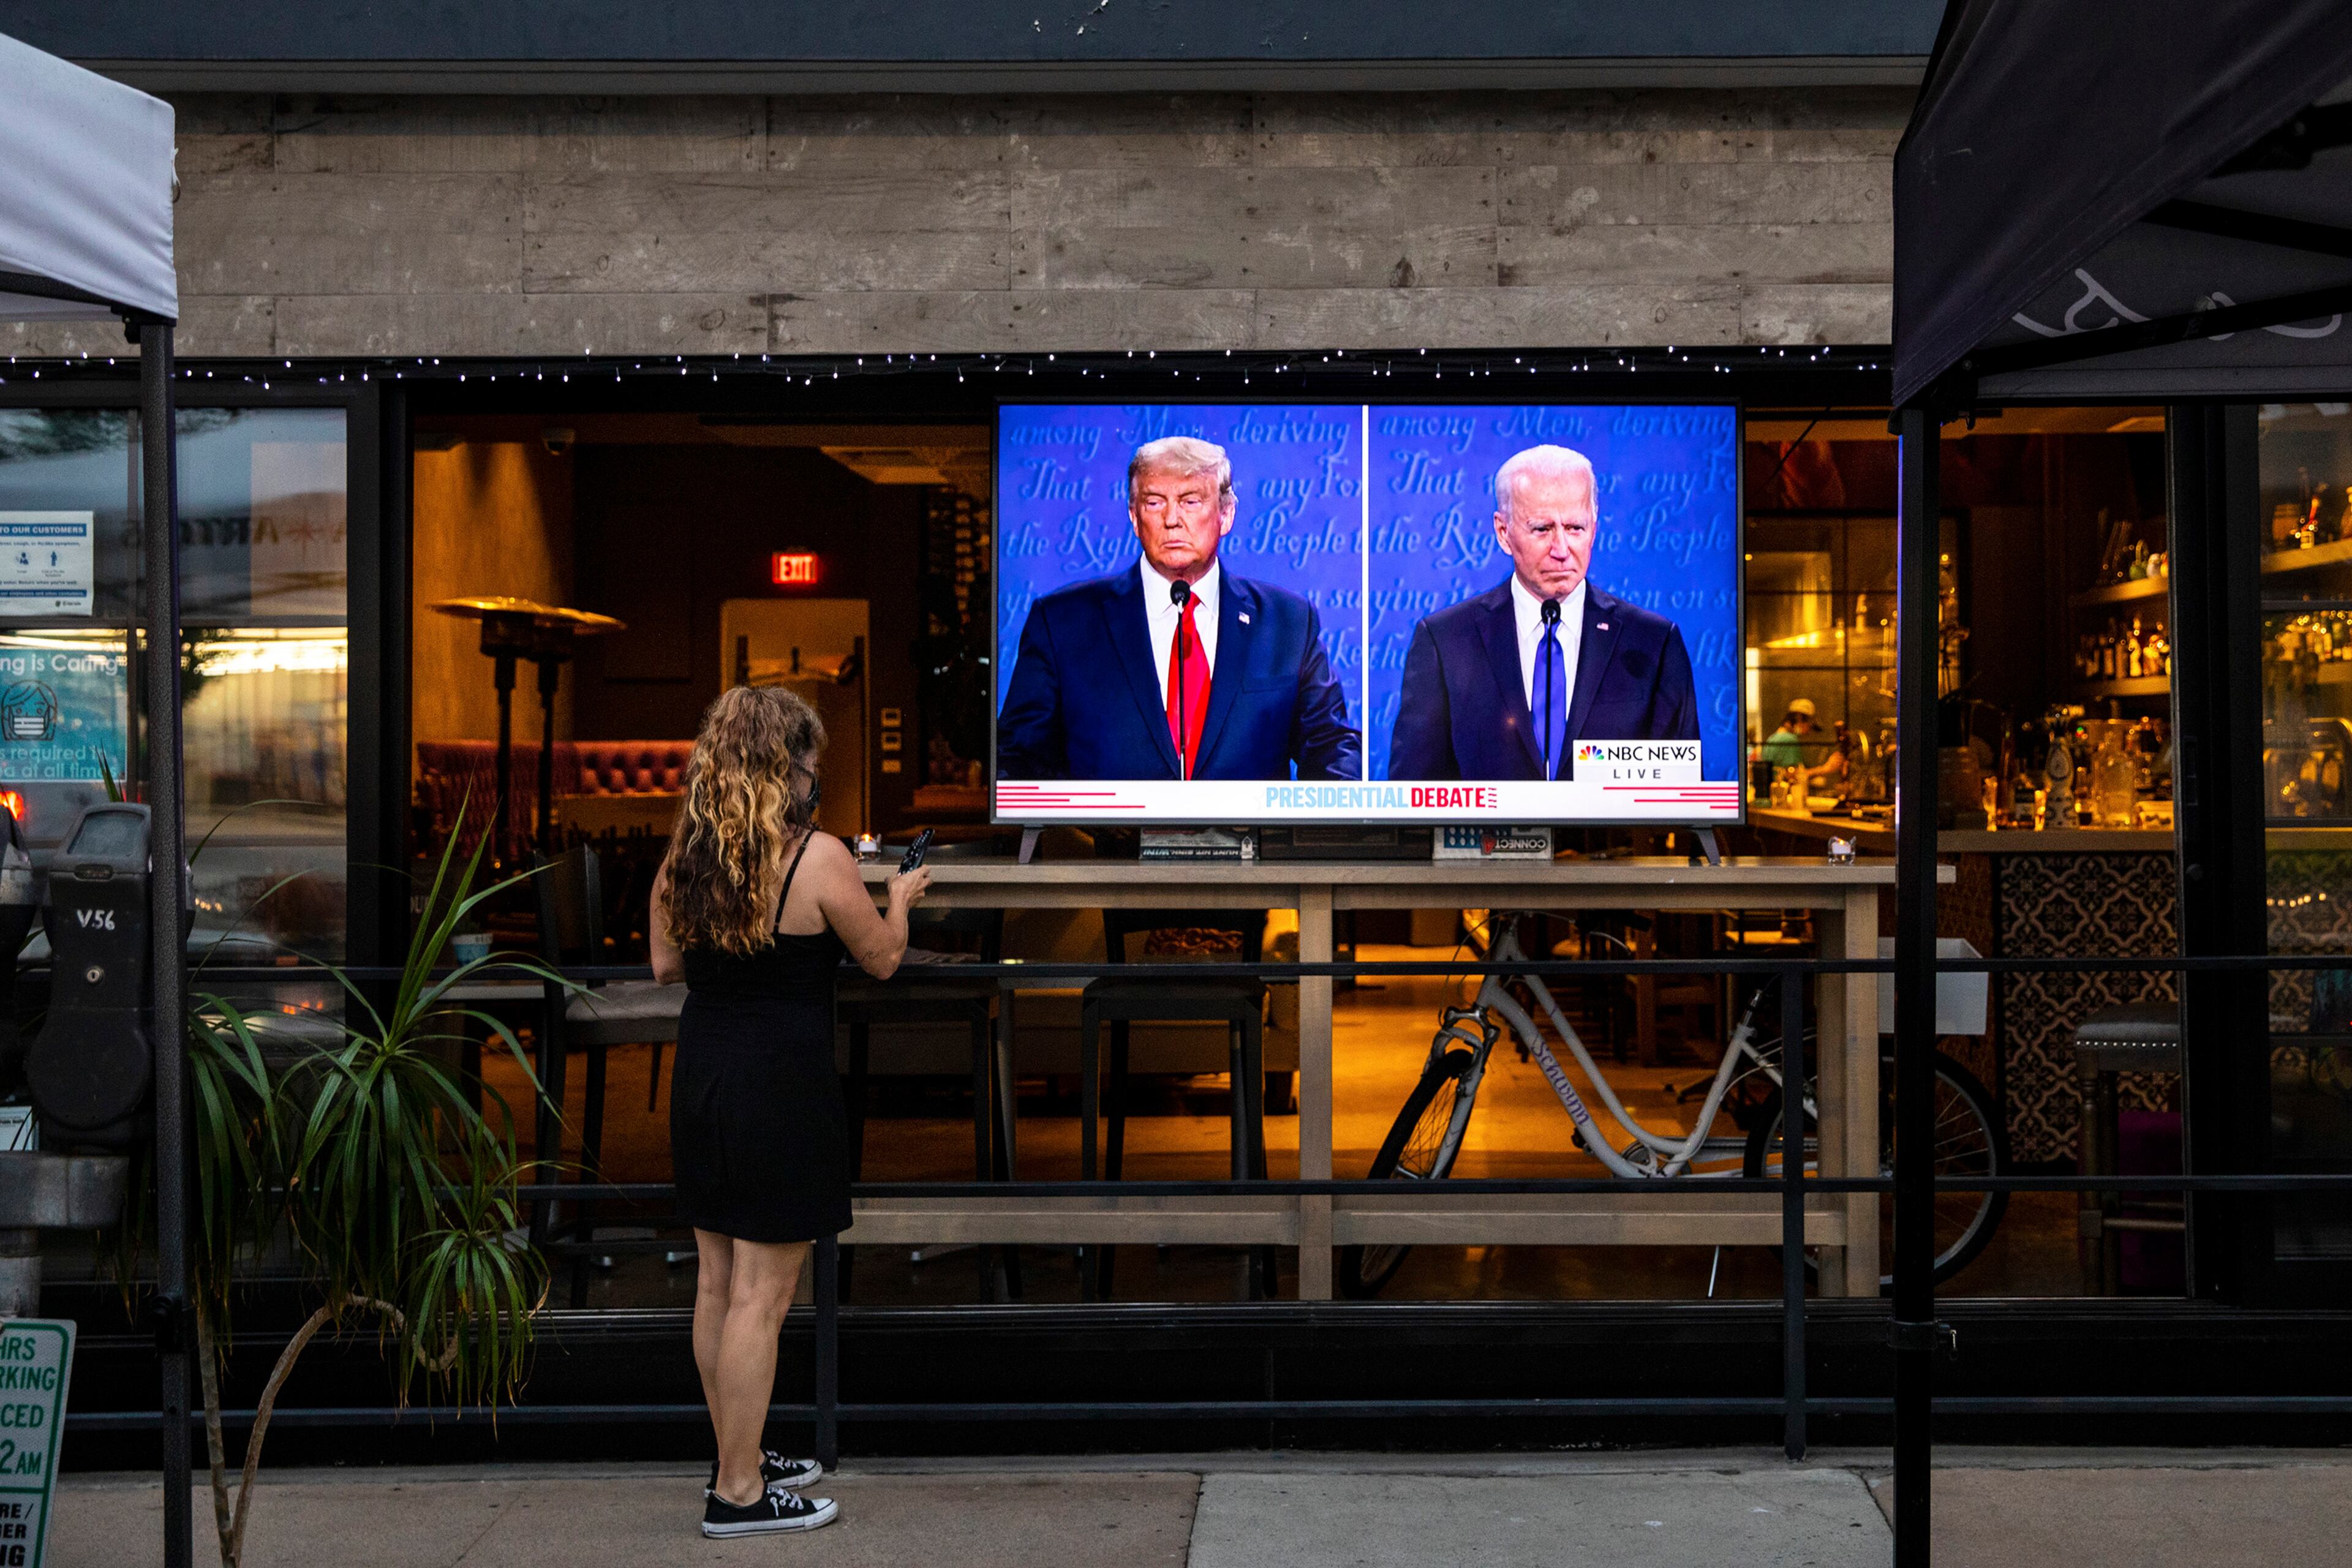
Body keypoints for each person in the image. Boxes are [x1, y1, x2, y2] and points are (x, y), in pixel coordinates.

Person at [650, 686, 932, 1539]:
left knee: (716, 1283)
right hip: (780, 1087)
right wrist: (903, 898)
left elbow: (665, 963)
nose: (816, 776)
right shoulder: (818, 856)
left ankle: (740, 1451)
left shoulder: (688, 852)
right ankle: (737, 1493)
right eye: (808, 761)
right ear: (785, 767)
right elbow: (880, 958)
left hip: (702, 1077)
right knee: (762, 1300)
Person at [996, 435, 1361, 781]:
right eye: (1155, 502)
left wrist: (1324, 839)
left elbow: (1331, 748)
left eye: (1191, 501)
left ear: (1226, 514)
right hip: (1107, 846)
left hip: (1250, 844)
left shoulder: (1288, 622)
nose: (1173, 520)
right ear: (1135, 518)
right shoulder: (1063, 622)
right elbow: (1018, 761)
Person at [1387, 444, 1700, 782]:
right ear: (1503, 533)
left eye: (1575, 528)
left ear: (1594, 529)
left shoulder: (1653, 643)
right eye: (1542, 529)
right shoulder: (1445, 641)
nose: (1562, 550)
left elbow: (1679, 792)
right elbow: (1414, 791)